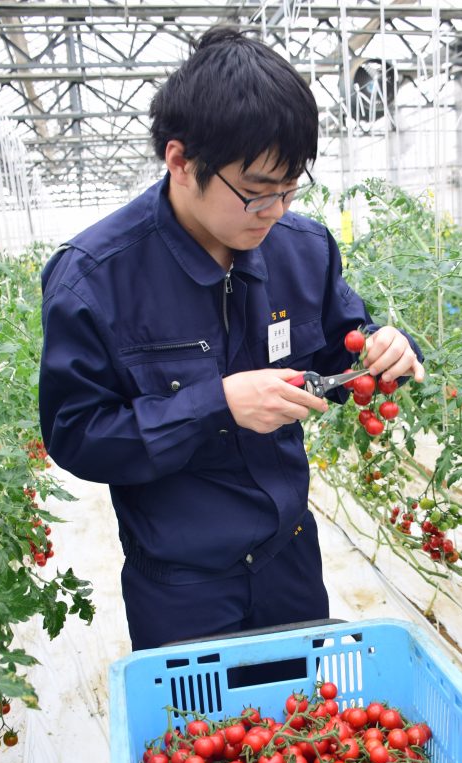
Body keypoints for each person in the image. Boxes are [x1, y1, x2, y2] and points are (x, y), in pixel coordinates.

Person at [39, 26, 423, 651]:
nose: (273, 211)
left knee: (305, 737)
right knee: (203, 744)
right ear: (181, 161)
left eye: (290, 189)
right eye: (254, 192)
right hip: (183, 586)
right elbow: (77, 435)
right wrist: (216, 404)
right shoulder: (95, 280)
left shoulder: (304, 250)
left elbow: (341, 344)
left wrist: (382, 349)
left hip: (290, 561)